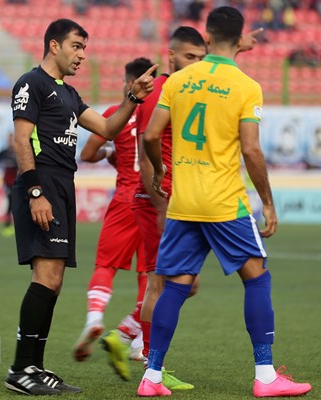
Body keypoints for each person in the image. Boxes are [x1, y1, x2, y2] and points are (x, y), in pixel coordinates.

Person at [136, 6, 312, 397]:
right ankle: (265, 375)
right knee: (257, 277)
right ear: (239, 38)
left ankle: (152, 376)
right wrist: (267, 202)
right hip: (224, 203)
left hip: (184, 202)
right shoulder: (246, 86)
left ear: (206, 37)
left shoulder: (179, 80)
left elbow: (150, 135)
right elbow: (250, 149)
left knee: (175, 286)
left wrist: (160, 170)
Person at [5, 18, 156, 396]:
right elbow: (21, 139)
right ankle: (21, 369)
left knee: (53, 281)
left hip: (62, 186)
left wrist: (133, 98)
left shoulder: (69, 94)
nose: (82, 55)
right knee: (45, 278)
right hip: (42, 184)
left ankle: (34, 367)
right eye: (76, 46)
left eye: (84, 48)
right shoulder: (31, 83)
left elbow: (107, 129)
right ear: (54, 45)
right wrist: (35, 192)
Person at [99, 26, 207, 391]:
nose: (196, 63)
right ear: (171, 56)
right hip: (157, 201)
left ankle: (128, 338)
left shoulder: (184, 89)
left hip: (178, 200)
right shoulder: (160, 90)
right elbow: (146, 152)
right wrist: (159, 203)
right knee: (162, 285)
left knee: (182, 284)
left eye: (201, 58)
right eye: (189, 56)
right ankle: (150, 366)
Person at [72, 57, 156, 365]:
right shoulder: (160, 113)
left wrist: (112, 151)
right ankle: (140, 341)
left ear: (130, 83)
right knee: (149, 274)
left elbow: (88, 153)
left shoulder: (115, 114)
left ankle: (94, 319)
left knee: (106, 265)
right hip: (151, 199)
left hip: (124, 199)